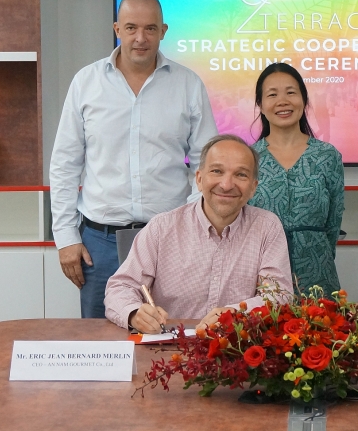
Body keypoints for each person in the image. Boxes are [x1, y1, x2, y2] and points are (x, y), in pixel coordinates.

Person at [49, 0, 218, 319]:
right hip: (101, 244)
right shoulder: (86, 82)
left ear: (163, 31)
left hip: (170, 240)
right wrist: (66, 237)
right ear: (117, 29)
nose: (141, 38)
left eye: (150, 28)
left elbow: (207, 161)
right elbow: (65, 164)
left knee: (170, 338)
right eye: (131, 28)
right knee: (102, 340)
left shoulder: (188, 84)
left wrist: (193, 225)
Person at [104, 135, 293, 333]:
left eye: (241, 175)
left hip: (236, 344)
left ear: (253, 187)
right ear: (199, 179)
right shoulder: (161, 227)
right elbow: (121, 287)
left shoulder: (267, 227)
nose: (226, 184)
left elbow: (279, 296)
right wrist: (135, 313)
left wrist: (235, 314)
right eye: (217, 171)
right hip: (169, 345)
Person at [248, 63, 345, 297]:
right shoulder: (248, 157)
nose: (282, 101)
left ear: (304, 99)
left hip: (318, 272)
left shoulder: (327, 155)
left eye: (291, 92)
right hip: (261, 273)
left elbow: (333, 222)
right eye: (272, 95)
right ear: (260, 104)